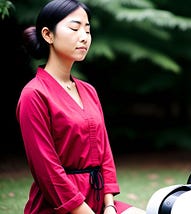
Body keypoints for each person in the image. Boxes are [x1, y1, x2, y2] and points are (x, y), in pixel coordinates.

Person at [16, 0, 146, 213]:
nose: (84, 37)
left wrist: (110, 206)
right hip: (61, 206)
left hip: (99, 201)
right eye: (75, 28)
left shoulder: (88, 91)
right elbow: (47, 171)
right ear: (48, 35)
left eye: (87, 29)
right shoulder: (34, 94)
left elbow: (105, 155)